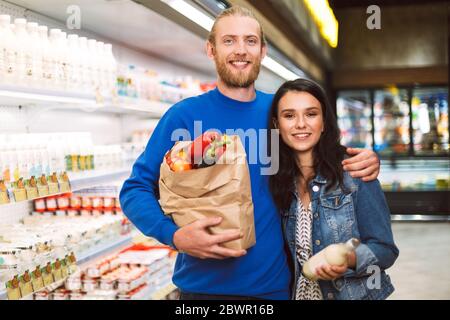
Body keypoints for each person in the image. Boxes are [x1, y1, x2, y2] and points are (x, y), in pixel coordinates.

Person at [119, 6, 381, 300]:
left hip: (274, 287)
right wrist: (174, 236)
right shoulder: (183, 116)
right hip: (201, 289)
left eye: (250, 41)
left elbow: (325, 157)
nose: (240, 50)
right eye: (229, 41)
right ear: (211, 49)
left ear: (263, 50)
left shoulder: (281, 112)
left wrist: (364, 159)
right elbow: (135, 189)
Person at [269, 78, 399, 300]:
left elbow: (385, 250)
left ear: (324, 122)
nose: (301, 124)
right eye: (289, 116)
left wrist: (349, 258)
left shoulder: (354, 173)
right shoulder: (277, 181)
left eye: (311, 114)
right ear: (276, 125)